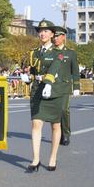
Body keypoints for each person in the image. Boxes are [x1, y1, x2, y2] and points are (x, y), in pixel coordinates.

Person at [26, 19, 63, 172]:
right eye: (40, 31)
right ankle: (36, 159)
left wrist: (47, 82)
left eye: (46, 31)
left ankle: (53, 157)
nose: (42, 33)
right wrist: (28, 78)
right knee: (36, 123)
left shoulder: (58, 53)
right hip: (37, 91)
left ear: (52, 34)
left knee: (55, 125)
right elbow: (33, 71)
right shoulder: (33, 53)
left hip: (53, 90)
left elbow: (54, 68)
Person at [52, 26, 79, 146]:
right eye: (54, 36)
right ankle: (57, 133)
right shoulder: (50, 52)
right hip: (52, 86)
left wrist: (77, 87)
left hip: (64, 86)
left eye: (57, 36)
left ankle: (66, 134)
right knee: (55, 112)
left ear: (63, 37)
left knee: (64, 110)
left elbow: (75, 71)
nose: (55, 39)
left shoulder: (70, 53)